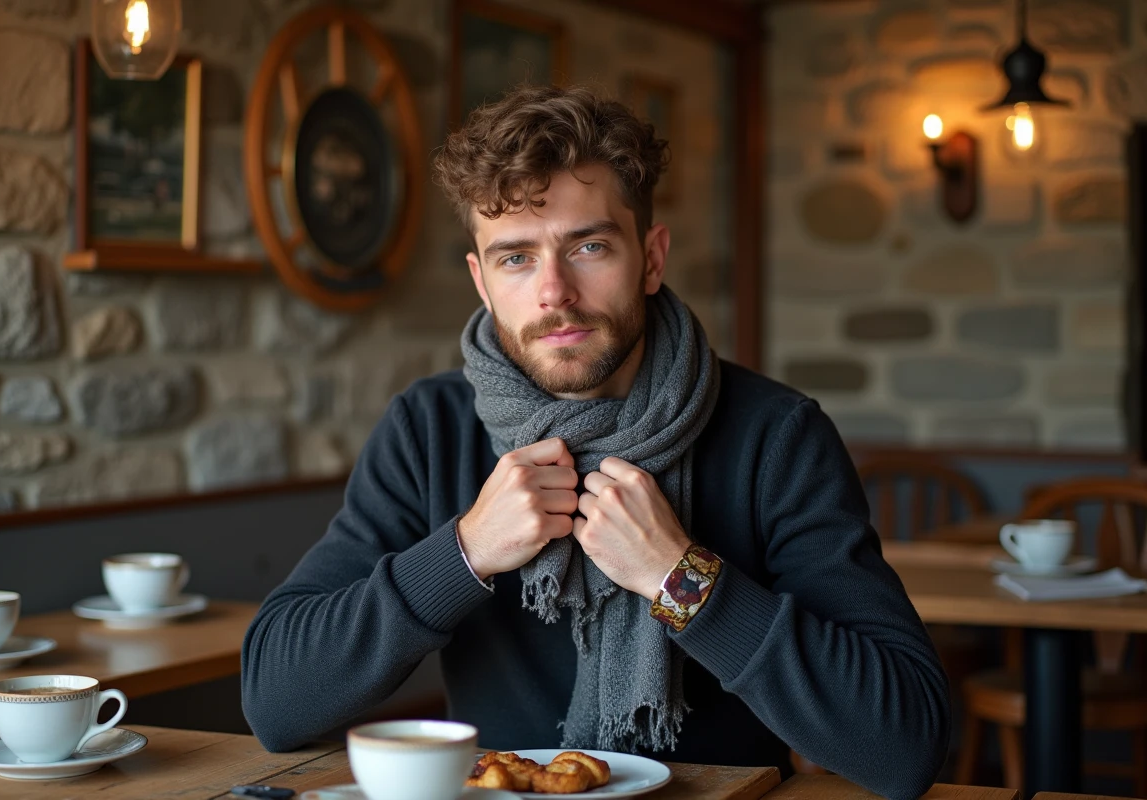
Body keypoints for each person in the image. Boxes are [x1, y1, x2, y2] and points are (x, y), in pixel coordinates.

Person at [242, 84, 949, 800]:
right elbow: (275, 703)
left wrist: (683, 581)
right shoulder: (429, 430)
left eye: (588, 246)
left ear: (650, 258)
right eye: (516, 258)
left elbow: (906, 746)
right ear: (481, 282)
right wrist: (463, 555)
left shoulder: (777, 435)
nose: (555, 291)